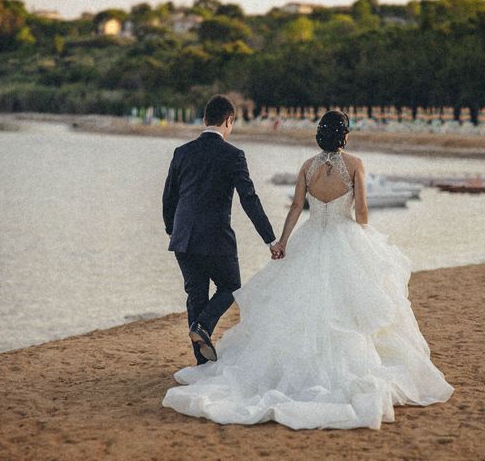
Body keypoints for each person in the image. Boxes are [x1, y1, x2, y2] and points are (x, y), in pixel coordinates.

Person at [162, 110, 455, 430]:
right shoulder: (356, 165)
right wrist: (361, 228)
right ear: (345, 135)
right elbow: (362, 215)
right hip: (345, 240)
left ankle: (205, 346)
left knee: (296, 307)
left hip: (308, 237)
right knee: (351, 310)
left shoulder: (307, 167)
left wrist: (282, 242)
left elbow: (296, 208)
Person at [162, 94, 282, 366]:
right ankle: (203, 326)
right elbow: (249, 199)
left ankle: (201, 361)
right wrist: (270, 239)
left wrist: (171, 228)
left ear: (204, 120)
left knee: (196, 294)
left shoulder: (182, 153)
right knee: (230, 285)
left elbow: (169, 197)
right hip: (215, 238)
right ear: (228, 121)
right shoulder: (234, 155)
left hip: (183, 238)